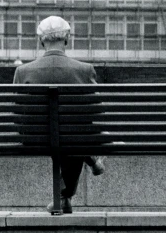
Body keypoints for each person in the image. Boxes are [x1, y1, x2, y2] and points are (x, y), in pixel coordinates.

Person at [13, 15, 104, 214]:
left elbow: (18, 113)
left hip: (34, 139)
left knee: (71, 132)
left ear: (41, 40)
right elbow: (96, 110)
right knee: (75, 132)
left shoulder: (22, 71)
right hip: (74, 138)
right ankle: (67, 191)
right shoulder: (84, 70)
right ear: (66, 39)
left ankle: (63, 198)